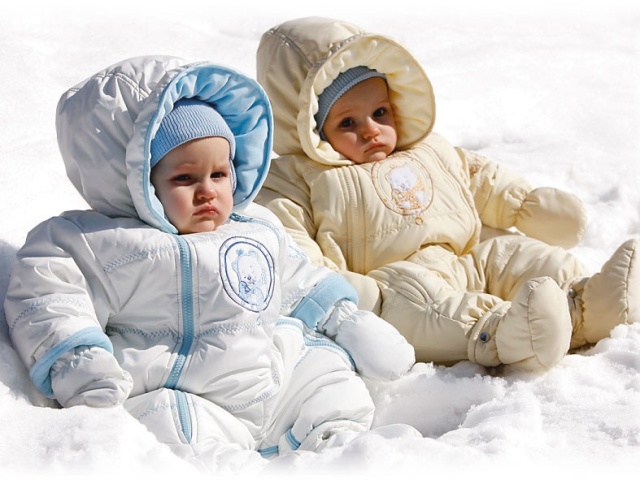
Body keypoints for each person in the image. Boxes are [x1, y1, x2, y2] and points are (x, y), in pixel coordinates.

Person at [2, 55, 416, 471]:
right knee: (165, 423)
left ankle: (341, 450)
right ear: (138, 182)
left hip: (271, 379)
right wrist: (79, 362)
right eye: (184, 178)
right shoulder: (102, 242)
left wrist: (344, 319)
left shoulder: (255, 227)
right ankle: (231, 467)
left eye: (219, 174)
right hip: (188, 395)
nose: (207, 192)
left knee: (325, 373)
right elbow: (49, 293)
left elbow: (298, 277)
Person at [254, 16, 639, 371]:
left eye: (381, 113)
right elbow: (292, 248)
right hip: (395, 284)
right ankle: (503, 333)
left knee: (513, 253)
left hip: (466, 259)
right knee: (425, 306)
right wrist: (349, 296)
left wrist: (523, 205)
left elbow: (478, 178)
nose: (371, 130)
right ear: (309, 129)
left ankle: (588, 305)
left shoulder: (427, 148)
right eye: (348, 122)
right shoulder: (299, 179)